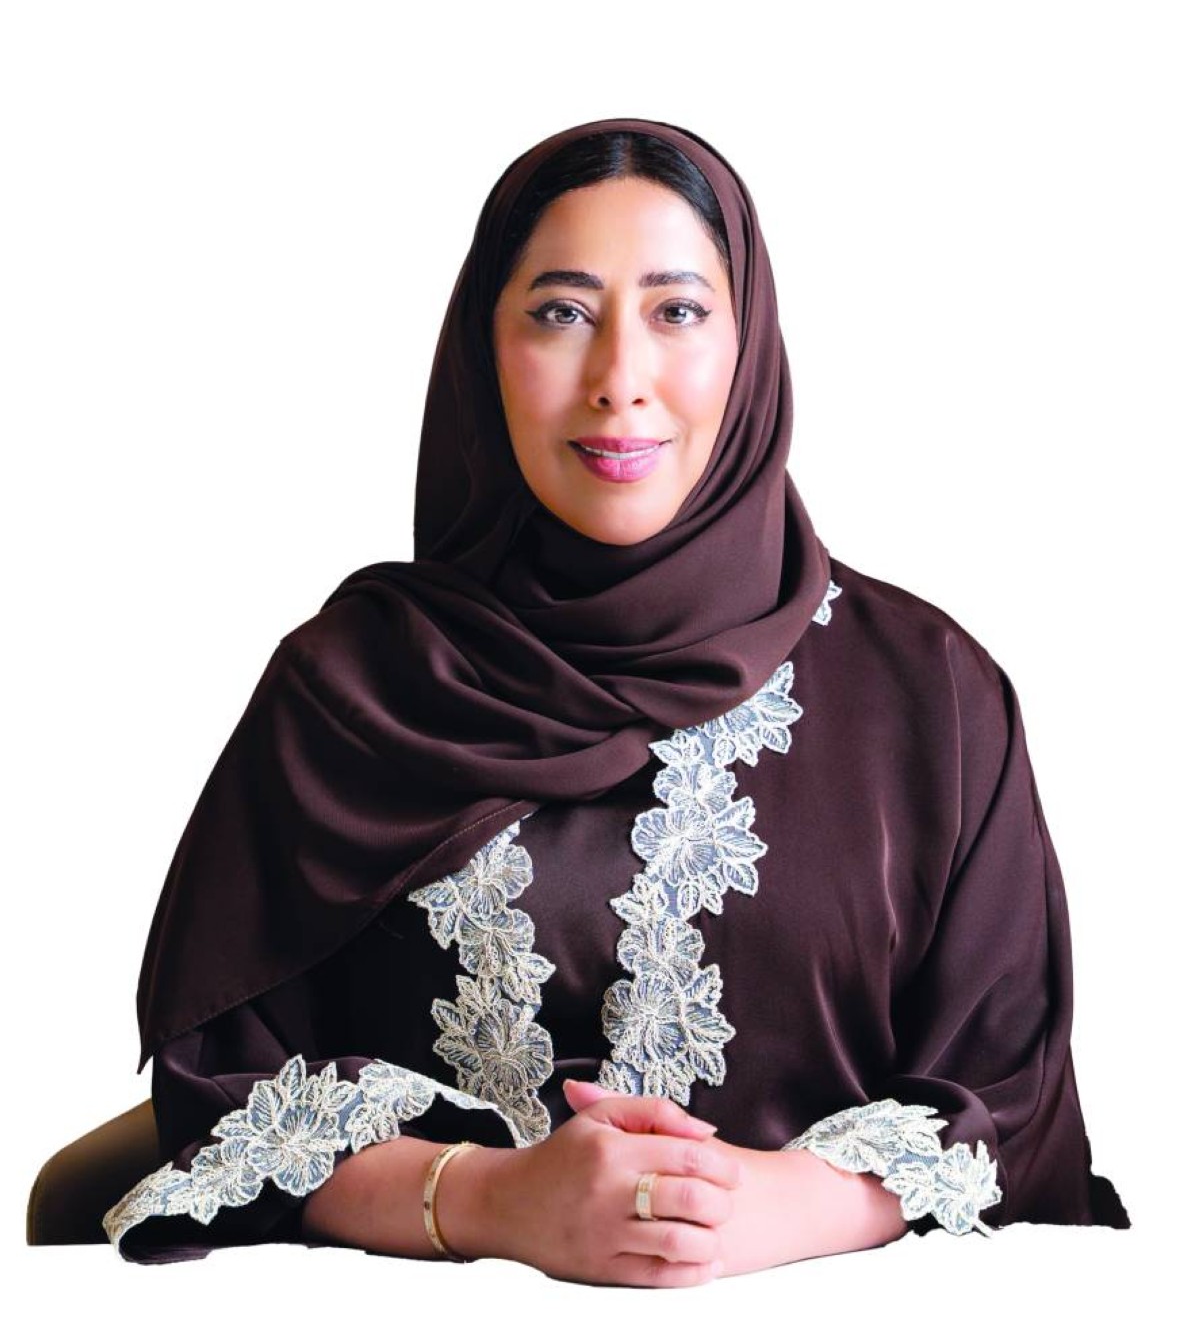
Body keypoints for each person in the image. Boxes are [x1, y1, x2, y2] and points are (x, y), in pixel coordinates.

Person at [101, 116, 1129, 1283]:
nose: (618, 380)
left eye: (677, 311)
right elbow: (221, 1095)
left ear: (749, 344)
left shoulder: (931, 697)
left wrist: (770, 1204)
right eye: (560, 312)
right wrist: (490, 1199)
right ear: (482, 348)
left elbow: (1011, 1096)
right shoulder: (346, 692)